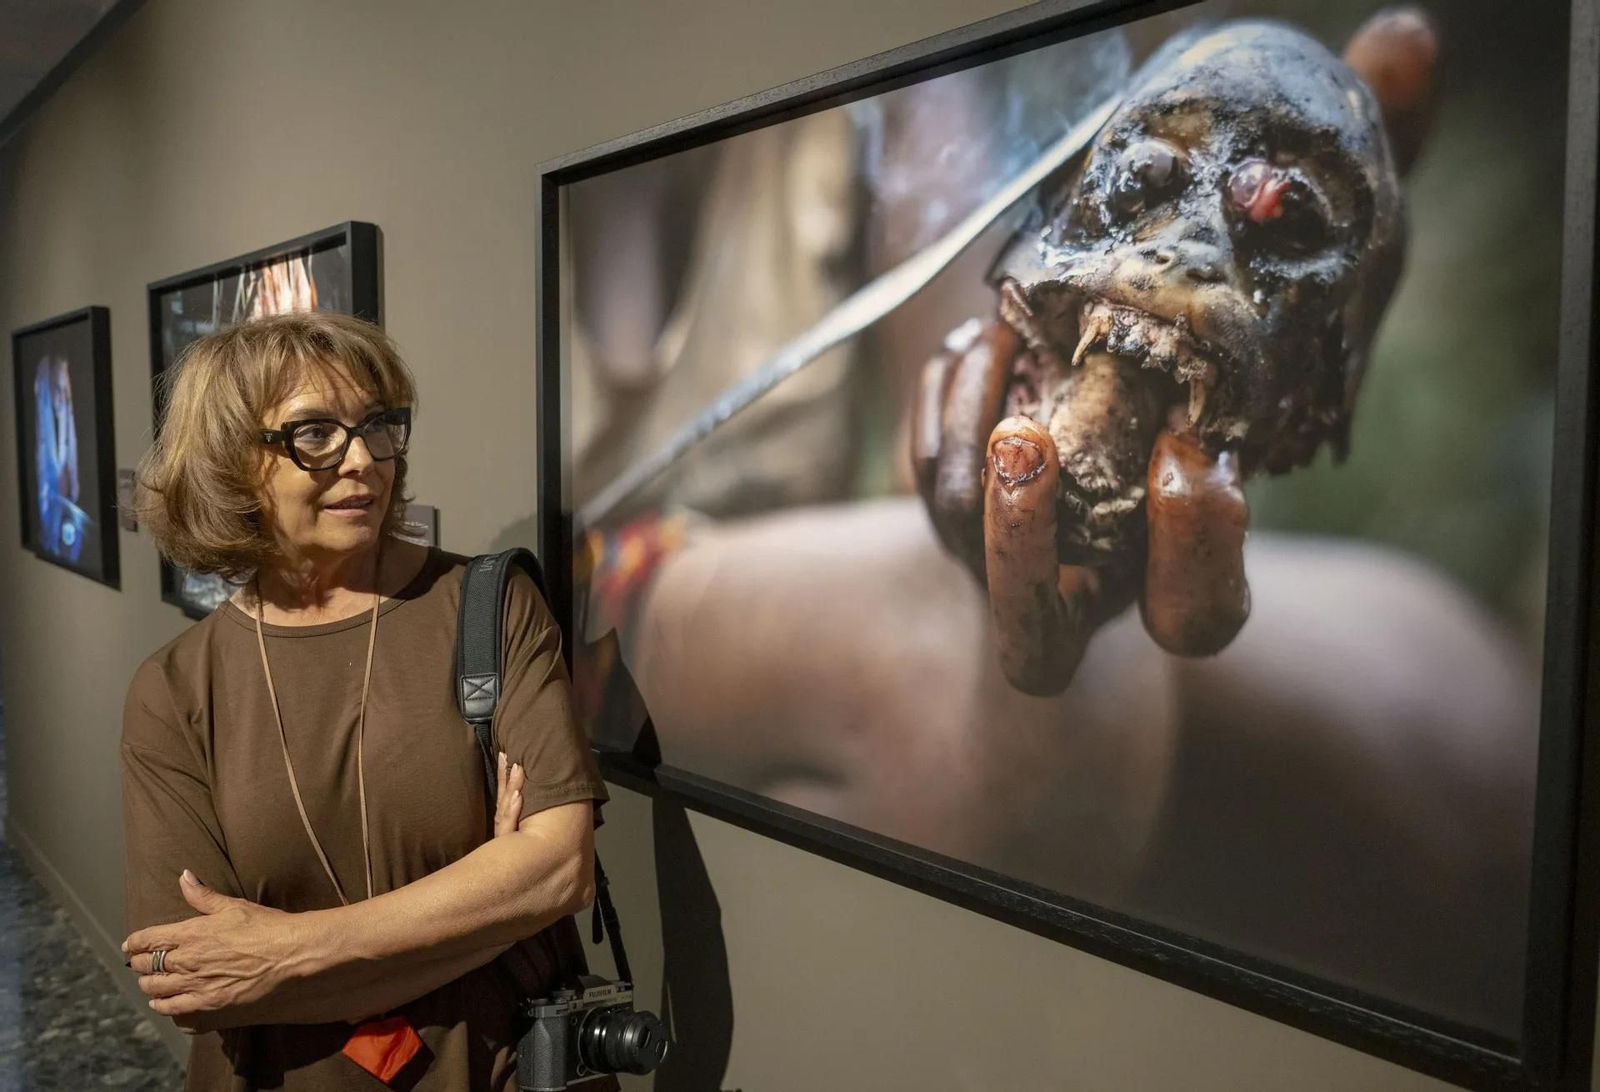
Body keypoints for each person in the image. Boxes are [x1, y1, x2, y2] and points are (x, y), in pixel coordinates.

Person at [121, 311, 613, 1091]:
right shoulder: (175, 689)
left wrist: (282, 952)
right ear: (229, 463)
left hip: (493, 1067)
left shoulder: (485, 607)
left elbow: (557, 873)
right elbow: (193, 982)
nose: (364, 460)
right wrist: (487, 908)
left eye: (378, 425)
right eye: (315, 433)